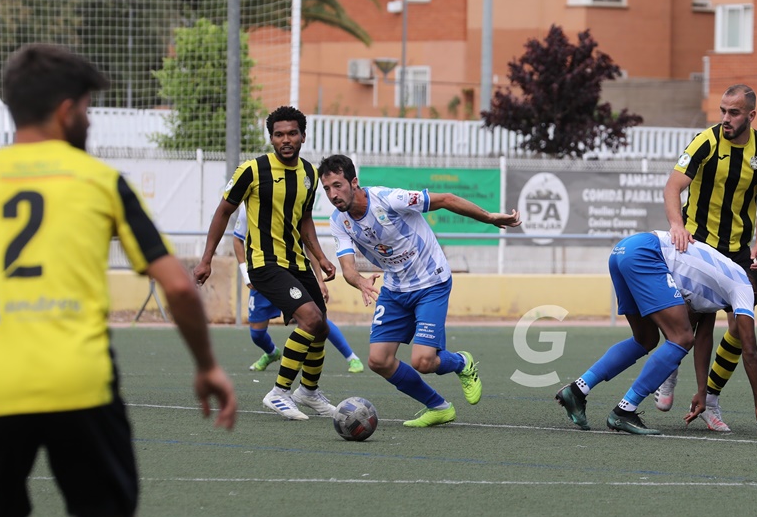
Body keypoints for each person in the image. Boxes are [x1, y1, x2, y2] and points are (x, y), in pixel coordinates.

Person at [0, 43, 236, 517]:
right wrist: (206, 366)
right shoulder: (101, 182)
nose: (91, 119)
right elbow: (177, 286)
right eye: (89, 108)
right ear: (64, 111)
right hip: (82, 384)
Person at [319, 155, 518, 427]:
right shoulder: (338, 221)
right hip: (394, 288)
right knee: (379, 361)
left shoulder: (389, 199)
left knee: (423, 361)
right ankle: (438, 407)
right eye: (327, 189)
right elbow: (349, 268)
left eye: (337, 185)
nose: (333, 194)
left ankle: (462, 363)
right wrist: (360, 282)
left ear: (354, 182)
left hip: (431, 283)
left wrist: (489, 217)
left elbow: (446, 199)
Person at [555, 230, 757, 438]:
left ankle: (577, 390)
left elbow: (703, 339)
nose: (741, 311)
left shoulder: (718, 285)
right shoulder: (743, 286)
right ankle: (625, 410)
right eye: (752, 304)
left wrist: (702, 392)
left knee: (645, 339)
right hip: (646, 252)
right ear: (753, 293)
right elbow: (750, 348)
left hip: (623, 250)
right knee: (681, 338)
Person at [194, 106, 338, 421]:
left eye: (291, 133)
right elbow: (223, 212)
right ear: (271, 138)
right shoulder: (252, 170)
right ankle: (279, 393)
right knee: (311, 320)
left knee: (321, 328)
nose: (285, 140)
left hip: (297, 263)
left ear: (302, 136)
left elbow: (305, 220)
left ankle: (309, 392)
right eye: (279, 134)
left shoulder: (310, 174)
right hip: (265, 263)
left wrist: (321, 257)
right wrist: (206, 259)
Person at [660, 83, 757, 432]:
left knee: (741, 327)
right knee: (696, 321)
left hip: (739, 250)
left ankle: (711, 399)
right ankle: (671, 370)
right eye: (723, 111)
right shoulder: (705, 142)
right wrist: (676, 226)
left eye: (734, 112)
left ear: (751, 115)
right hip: (699, 244)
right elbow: (672, 187)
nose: (726, 118)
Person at [231, 203, 364, 374]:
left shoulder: (294, 202)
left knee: (317, 319)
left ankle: (351, 357)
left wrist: (320, 281)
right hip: (264, 276)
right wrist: (246, 274)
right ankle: (272, 353)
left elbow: (309, 244)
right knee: (257, 334)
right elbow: (237, 239)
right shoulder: (250, 206)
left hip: (293, 274)